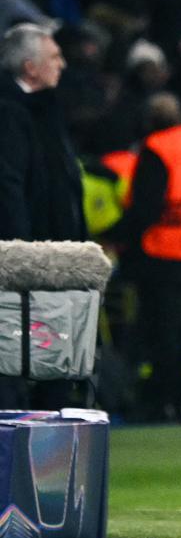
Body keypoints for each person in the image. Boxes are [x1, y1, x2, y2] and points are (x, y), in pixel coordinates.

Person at [111, 92, 181, 421]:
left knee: (158, 334)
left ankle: (158, 403)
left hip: (159, 253)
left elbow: (146, 206)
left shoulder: (156, 149)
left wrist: (119, 236)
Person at [0, 22, 84, 410]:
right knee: (15, 374)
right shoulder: (10, 113)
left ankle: (52, 462)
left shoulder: (47, 113)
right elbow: (9, 189)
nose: (62, 64)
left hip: (58, 265)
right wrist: (23, 255)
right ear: (30, 67)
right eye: (53, 57)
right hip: (27, 265)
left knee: (57, 372)